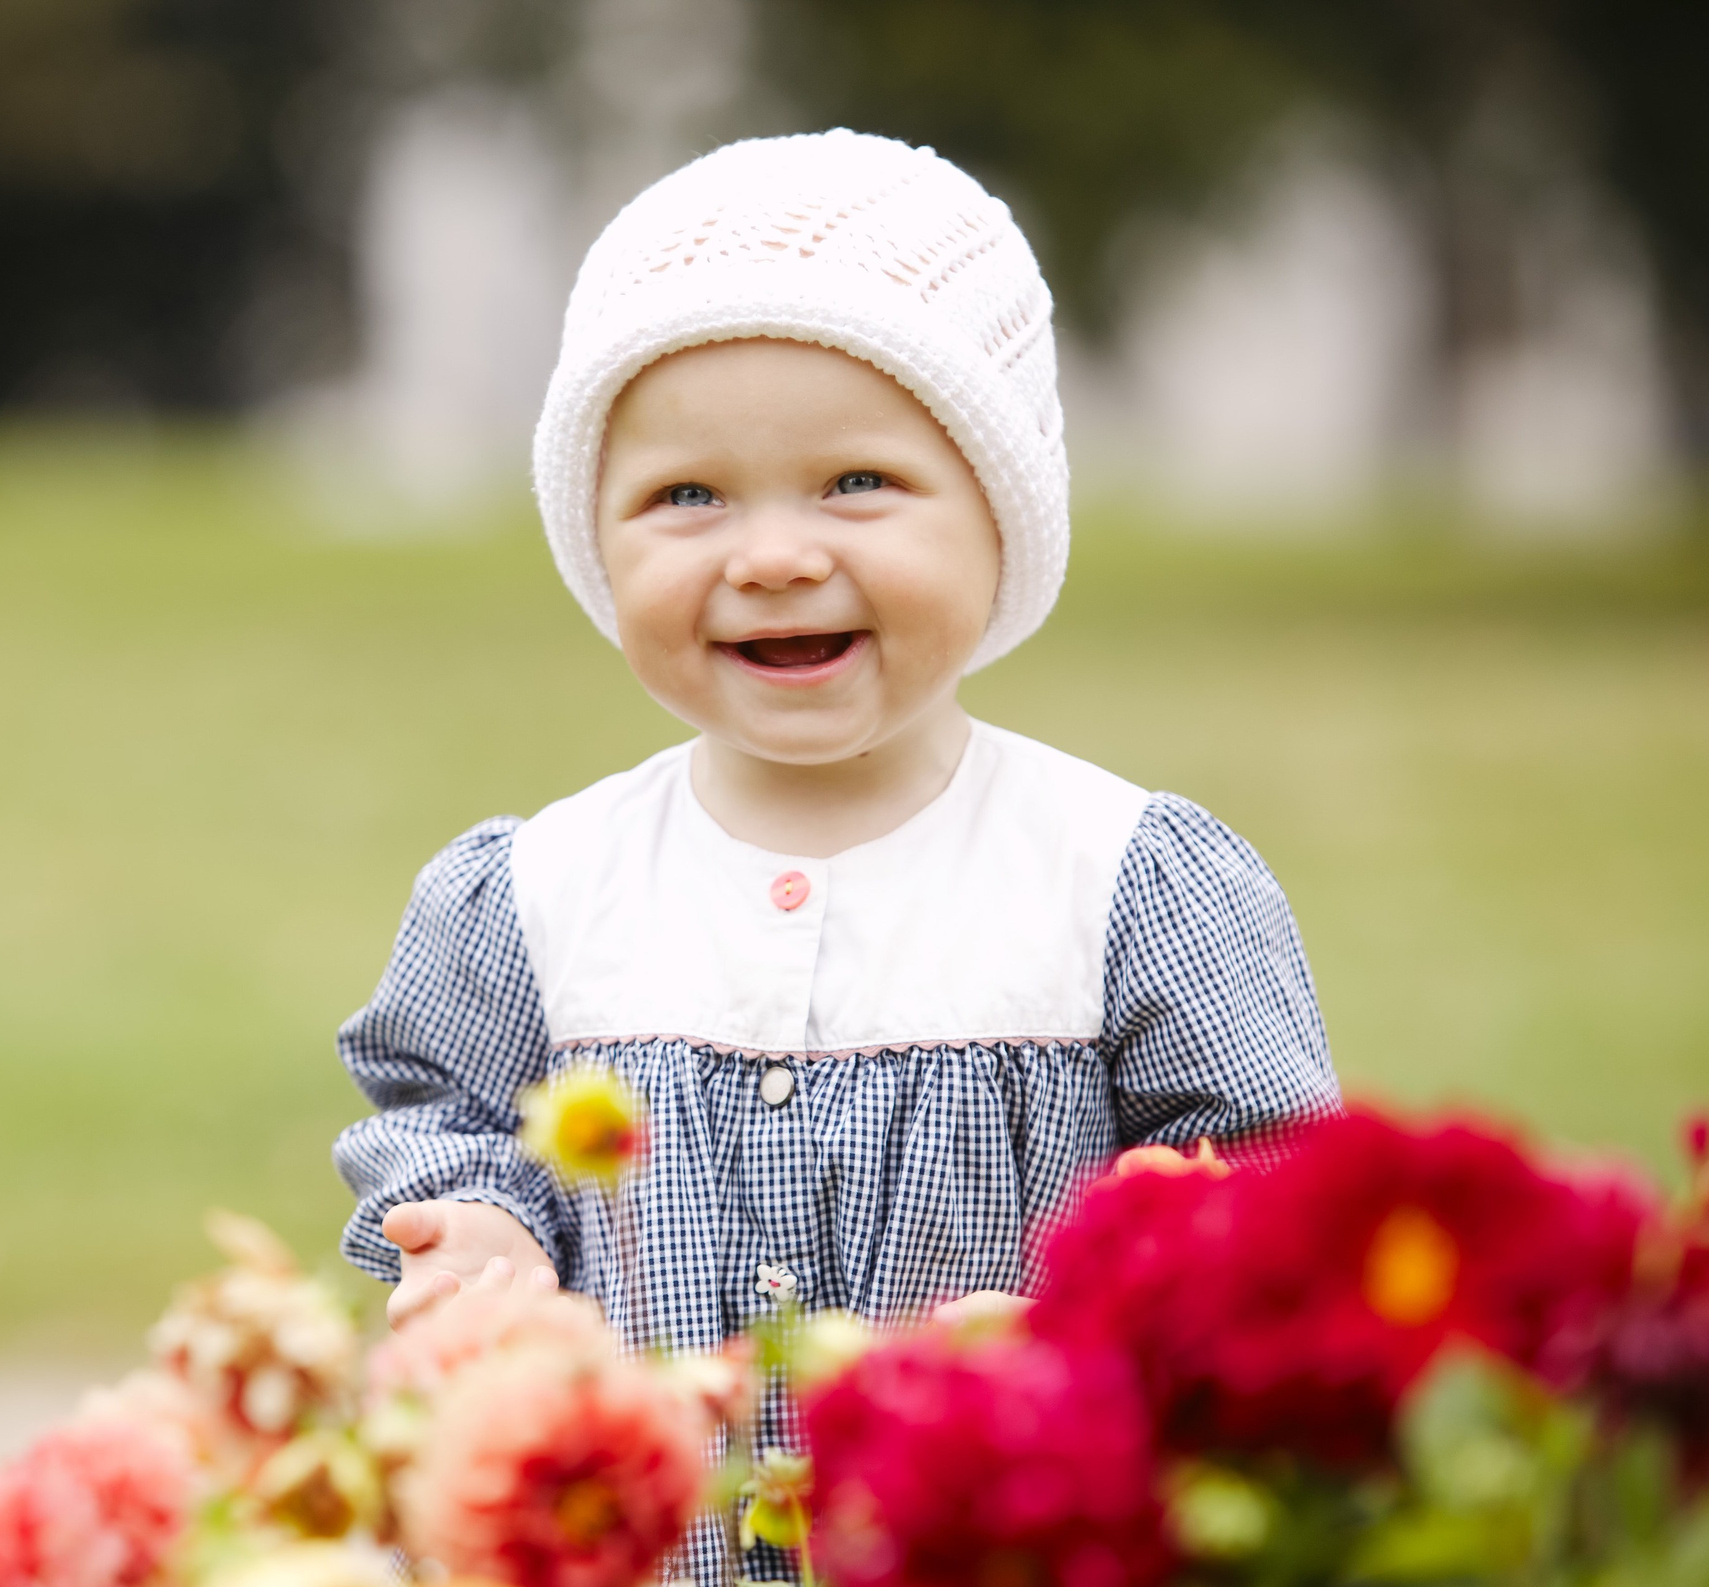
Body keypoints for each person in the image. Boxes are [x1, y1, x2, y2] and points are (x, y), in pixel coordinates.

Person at [332, 128, 1337, 1513]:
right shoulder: (538, 892)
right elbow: (440, 1111)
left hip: (991, 1581)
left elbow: (1275, 1195)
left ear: (1002, 512)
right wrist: (485, 1224)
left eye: (857, 481)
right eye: (686, 496)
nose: (774, 554)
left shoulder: (1122, 881)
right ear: (596, 540)